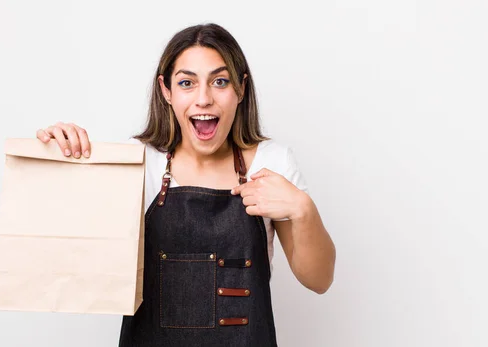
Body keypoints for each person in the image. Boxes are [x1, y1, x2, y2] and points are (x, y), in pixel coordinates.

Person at [36, 23, 335, 347]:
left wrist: (304, 210)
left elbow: (319, 280)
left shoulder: (272, 162)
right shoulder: (136, 161)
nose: (204, 98)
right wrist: (60, 161)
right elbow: (75, 264)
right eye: (187, 83)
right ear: (167, 90)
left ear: (241, 89)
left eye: (220, 81)